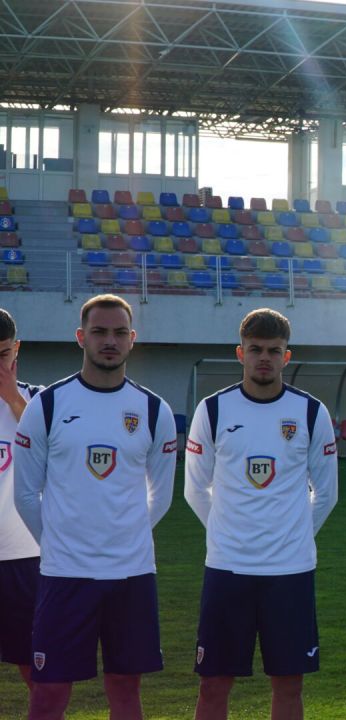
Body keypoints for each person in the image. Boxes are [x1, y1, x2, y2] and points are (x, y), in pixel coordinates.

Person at [13, 294, 178, 720]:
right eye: (99, 331)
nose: (110, 341)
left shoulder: (153, 410)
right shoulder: (47, 405)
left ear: (132, 339)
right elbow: (25, 493)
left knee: (125, 690)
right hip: (65, 575)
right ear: (80, 337)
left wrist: (127, 537)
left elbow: (161, 494)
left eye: (119, 332)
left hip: (132, 575)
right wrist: (57, 544)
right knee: (48, 693)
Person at [184, 308, 339, 720]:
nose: (264, 358)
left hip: (290, 571)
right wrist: (228, 533)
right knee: (213, 684)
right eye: (255, 349)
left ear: (286, 356)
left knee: (289, 684)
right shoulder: (213, 410)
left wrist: (293, 536)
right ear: (241, 353)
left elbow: (326, 493)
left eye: (273, 350)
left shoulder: (310, 412)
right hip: (227, 569)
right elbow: (195, 489)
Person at [0, 309, 42, 707]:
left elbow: (55, 453)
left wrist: (13, 399)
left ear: (17, 349)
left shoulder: (38, 401)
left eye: (2, 355)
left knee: (37, 673)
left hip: (24, 555)